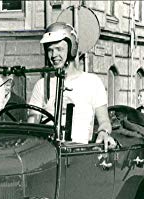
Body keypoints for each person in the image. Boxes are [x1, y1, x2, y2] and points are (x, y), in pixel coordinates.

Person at [27, 22, 116, 150]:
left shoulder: (92, 82)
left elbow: (104, 121)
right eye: (50, 50)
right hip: (48, 153)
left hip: (79, 154)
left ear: (72, 49)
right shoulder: (42, 84)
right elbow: (32, 126)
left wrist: (104, 133)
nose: (54, 55)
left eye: (59, 49)